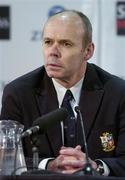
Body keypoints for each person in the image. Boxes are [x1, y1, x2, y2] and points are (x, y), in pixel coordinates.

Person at [0, 10, 125, 177]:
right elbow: (6, 160)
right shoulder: (18, 93)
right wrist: (49, 164)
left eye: (66, 44)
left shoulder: (117, 93)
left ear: (87, 51)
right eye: (48, 42)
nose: (53, 52)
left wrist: (97, 166)